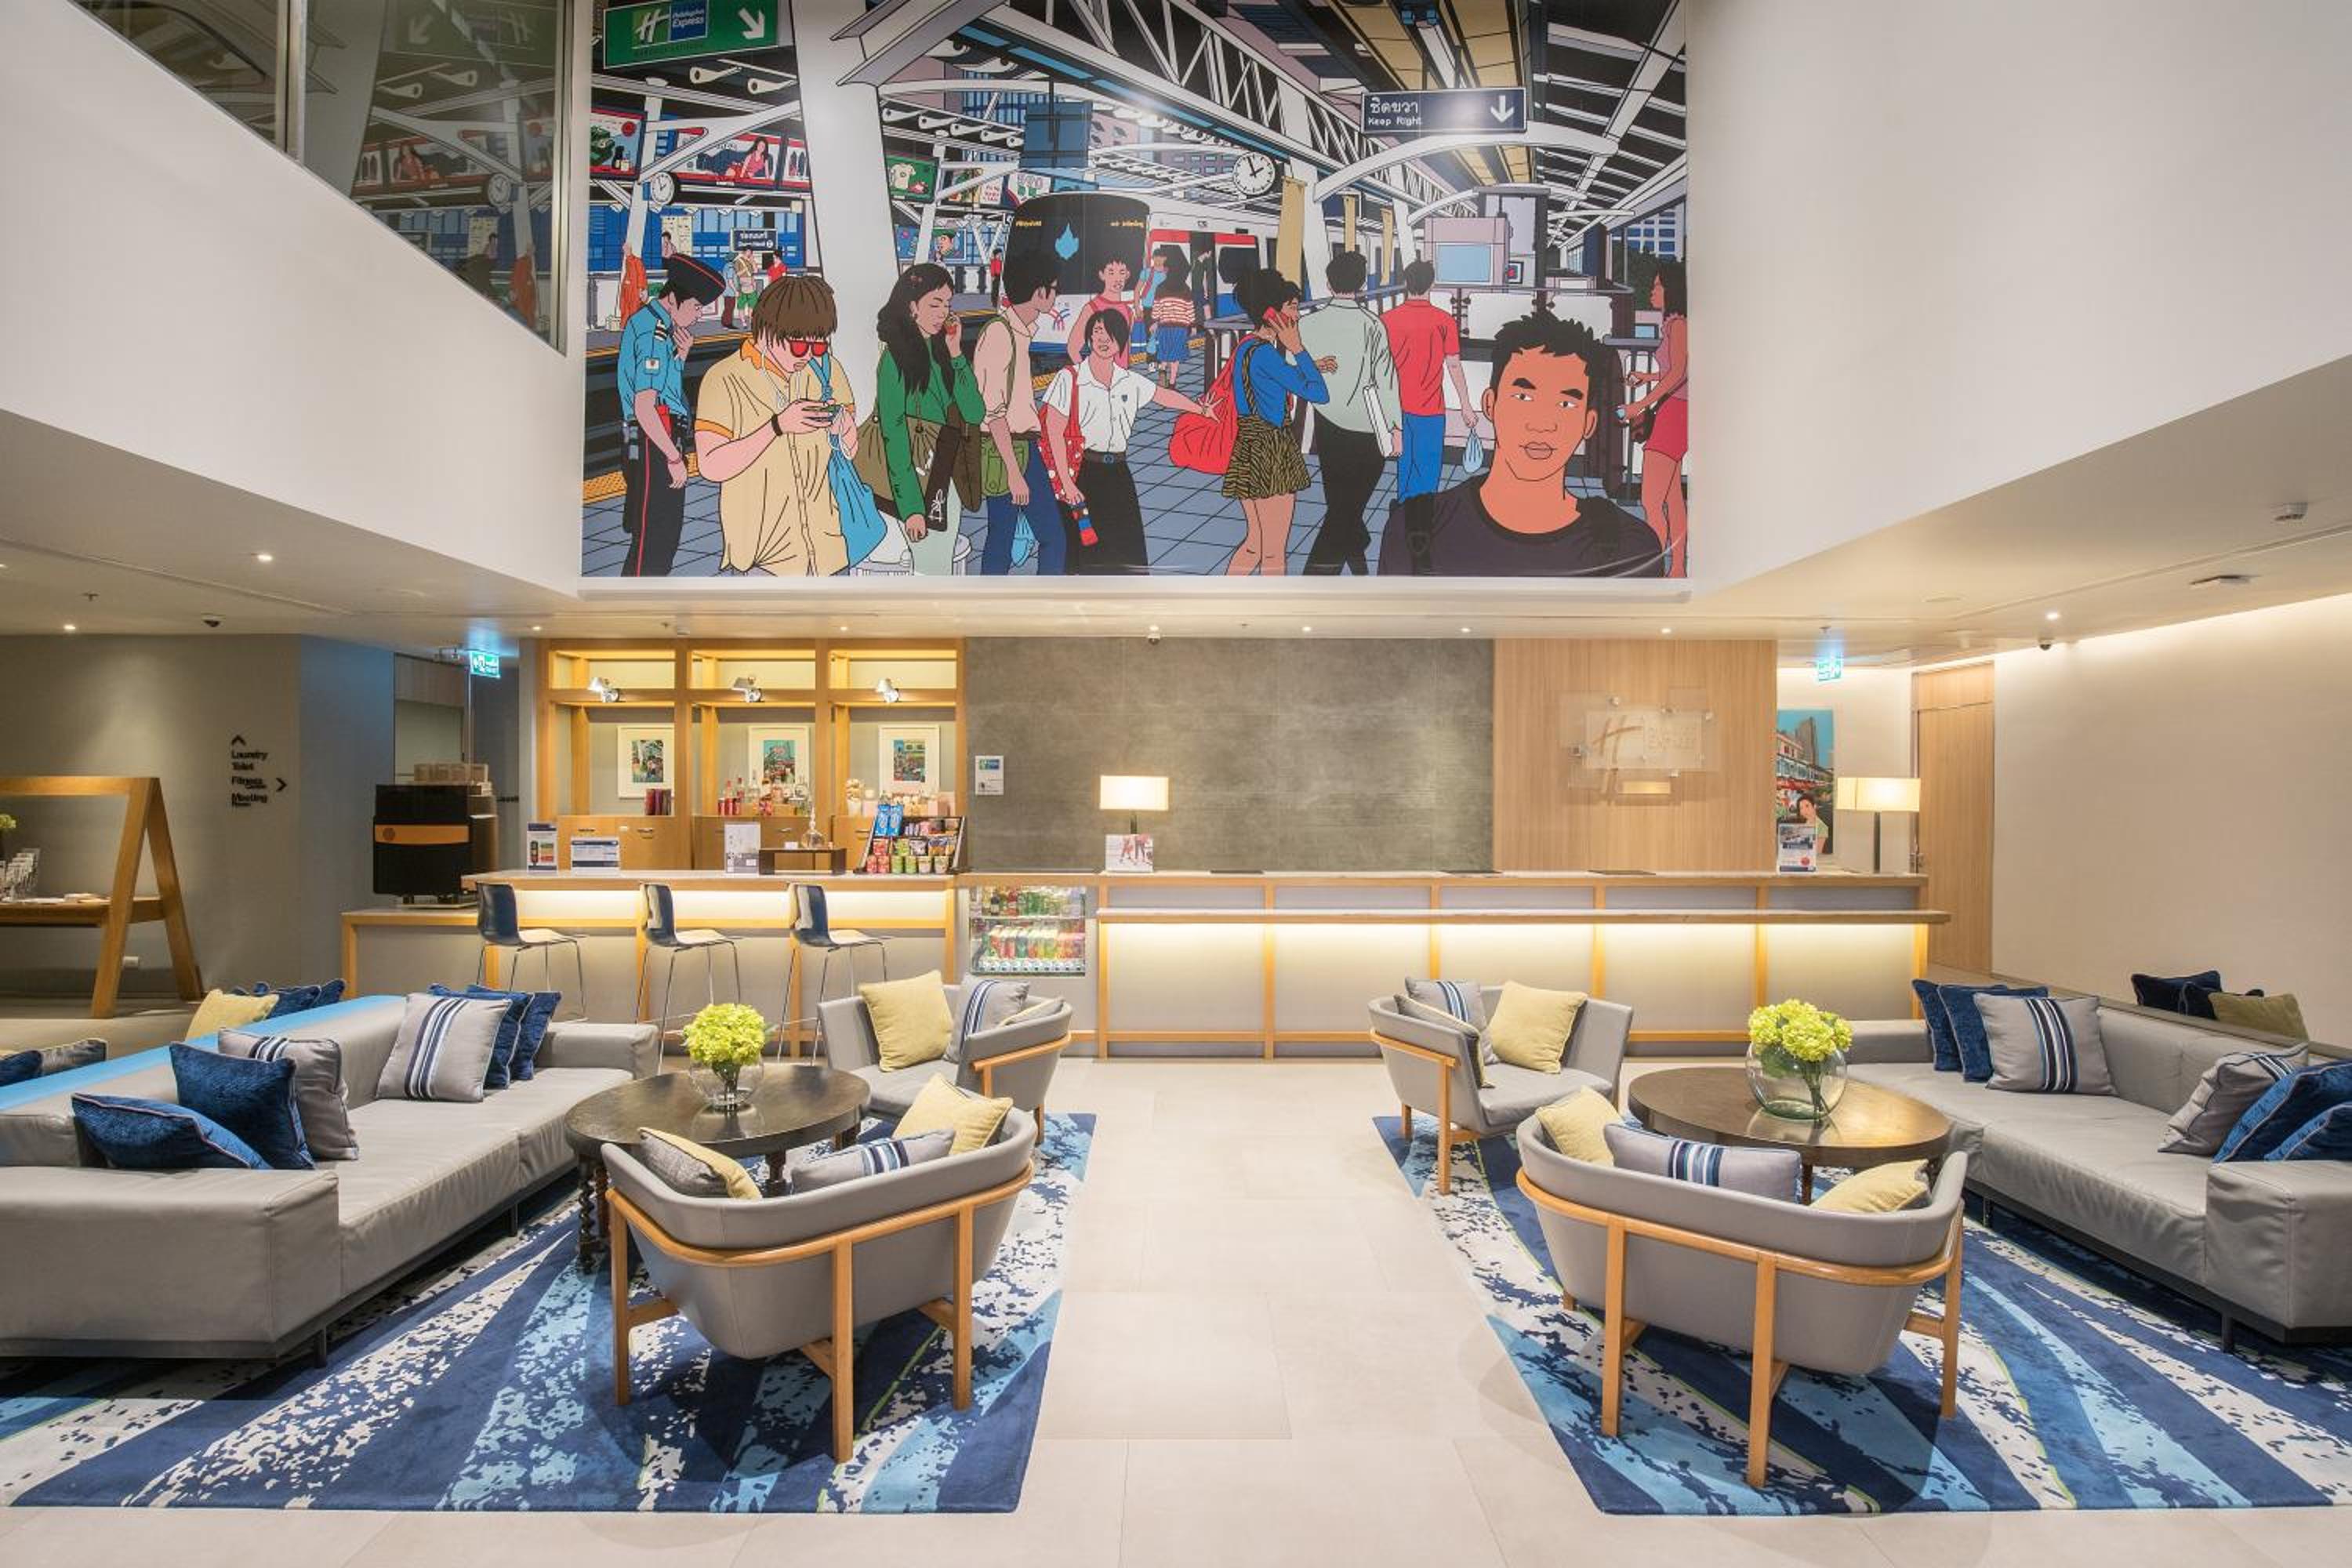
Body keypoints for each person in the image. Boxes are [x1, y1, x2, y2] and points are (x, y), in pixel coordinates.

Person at [1377, 312, 1664, 577]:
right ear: (1490, 404)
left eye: (1566, 404)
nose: (1542, 424)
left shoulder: (1631, 548)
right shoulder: (1414, 528)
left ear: (1588, 424)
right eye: (1524, 397)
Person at [691, 274, 858, 575]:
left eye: (819, 346)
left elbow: (851, 447)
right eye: (799, 346)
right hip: (763, 559)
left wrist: (843, 429)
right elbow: (711, 466)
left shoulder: (827, 372)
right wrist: (776, 427)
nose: (809, 356)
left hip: (830, 552)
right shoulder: (725, 378)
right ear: (768, 331)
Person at [1040, 308, 1205, 573]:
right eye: (1097, 332)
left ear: (1121, 341)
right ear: (1089, 337)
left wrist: (1201, 410)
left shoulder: (1129, 381)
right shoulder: (1069, 378)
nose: (1103, 339)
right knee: (1085, 553)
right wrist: (1068, 484)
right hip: (1083, 472)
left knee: (1128, 551)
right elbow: (1053, 430)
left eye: (1111, 334)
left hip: (1118, 472)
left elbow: (1163, 396)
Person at [615, 252, 726, 575]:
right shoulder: (654, 334)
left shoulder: (658, 326)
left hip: (655, 438)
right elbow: (646, 406)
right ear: (674, 299)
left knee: (657, 533)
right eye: (696, 307)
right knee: (657, 535)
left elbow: (663, 386)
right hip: (655, 439)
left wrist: (681, 355)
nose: (699, 315)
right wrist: (674, 458)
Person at [873, 263, 985, 575]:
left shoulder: (944, 351)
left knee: (940, 566)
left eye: (947, 305)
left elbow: (974, 412)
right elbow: (894, 435)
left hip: (946, 473)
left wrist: (956, 354)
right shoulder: (894, 361)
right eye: (935, 304)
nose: (943, 313)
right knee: (932, 571)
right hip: (919, 480)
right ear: (912, 307)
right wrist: (912, 508)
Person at [1220, 269, 1332, 575]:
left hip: (1248, 448)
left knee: (1255, 544)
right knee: (1273, 552)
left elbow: (1269, 380)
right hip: (1272, 449)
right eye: (1292, 307)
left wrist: (1309, 364)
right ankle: (1274, 605)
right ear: (1272, 312)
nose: (1297, 314)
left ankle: (1225, 597)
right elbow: (1319, 394)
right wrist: (1298, 349)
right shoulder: (1267, 355)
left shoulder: (1247, 348)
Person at [1297, 249, 1399, 575]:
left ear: (1328, 284)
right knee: (1347, 508)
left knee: (1341, 503)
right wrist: (1396, 427)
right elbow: (1386, 380)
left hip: (1327, 423)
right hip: (1368, 426)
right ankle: (1316, 577)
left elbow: (1293, 369)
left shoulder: (1307, 324)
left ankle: (1357, 561)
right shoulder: (1373, 325)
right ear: (1362, 285)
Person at [1384, 259, 1488, 573]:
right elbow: (1453, 365)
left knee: (1405, 472)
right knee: (1427, 478)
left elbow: (1381, 370)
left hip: (1398, 411)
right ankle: (1421, 541)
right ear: (1431, 285)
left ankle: (1401, 530)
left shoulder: (1387, 320)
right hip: (1430, 409)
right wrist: (1466, 406)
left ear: (1406, 283)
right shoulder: (1443, 321)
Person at [970, 252, 1065, 575]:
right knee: (1046, 538)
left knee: (1004, 536)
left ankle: (997, 600)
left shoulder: (1020, 332)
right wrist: (1014, 472)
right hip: (1009, 451)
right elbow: (993, 411)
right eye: (1054, 289)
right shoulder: (1000, 334)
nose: (1056, 295)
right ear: (1039, 292)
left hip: (1022, 447)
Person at [1622, 258, 1690, 575]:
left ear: (1672, 290)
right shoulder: (1676, 324)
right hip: (1678, 410)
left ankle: (1654, 568)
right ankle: (1676, 569)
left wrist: (1640, 405)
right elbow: (1677, 371)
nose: (1653, 292)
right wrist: (1647, 377)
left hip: (1673, 411)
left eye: (1658, 286)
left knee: (1651, 500)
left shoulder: (1678, 325)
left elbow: (1678, 373)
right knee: (1672, 498)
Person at [1066, 253, 1134, 365]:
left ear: (1127, 275)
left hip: (1122, 374)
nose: (1117, 279)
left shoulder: (1129, 312)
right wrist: (1085, 373)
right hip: (1099, 374)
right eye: (1111, 273)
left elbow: (1126, 349)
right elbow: (1073, 348)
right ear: (1102, 275)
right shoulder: (1092, 308)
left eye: (1122, 273)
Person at [1149, 248, 1196, 390]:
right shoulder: (1186, 289)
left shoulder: (1161, 288)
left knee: (1164, 353)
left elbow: (1156, 309)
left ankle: (1162, 370)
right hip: (1180, 328)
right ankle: (1172, 383)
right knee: (1175, 357)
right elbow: (1190, 310)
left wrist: (1155, 322)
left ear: (1169, 271)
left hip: (1164, 327)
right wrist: (1193, 325)